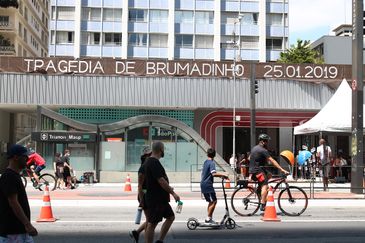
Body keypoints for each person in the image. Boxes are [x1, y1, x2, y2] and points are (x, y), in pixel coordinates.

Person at [143, 141, 180, 243]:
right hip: (156, 199)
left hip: (161, 199)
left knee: (170, 217)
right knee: (152, 224)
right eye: (163, 149)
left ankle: (160, 241)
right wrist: (173, 193)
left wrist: (169, 189)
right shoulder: (153, 162)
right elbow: (161, 180)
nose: (164, 151)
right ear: (161, 150)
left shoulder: (150, 162)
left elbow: (160, 181)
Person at [0, 144, 38, 242]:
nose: (27, 158)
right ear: (16, 157)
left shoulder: (14, 175)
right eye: (25, 156)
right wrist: (28, 225)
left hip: (19, 231)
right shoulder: (9, 176)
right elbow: (13, 203)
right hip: (12, 233)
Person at [248, 134, 289, 211]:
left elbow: (249, 158)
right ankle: (263, 204)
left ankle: (259, 190)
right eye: (267, 141)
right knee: (265, 185)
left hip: (254, 170)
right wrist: (282, 169)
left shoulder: (254, 148)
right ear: (263, 142)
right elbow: (272, 160)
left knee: (269, 175)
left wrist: (257, 162)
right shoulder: (263, 150)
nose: (268, 143)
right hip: (258, 171)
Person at [129, 146, 152, 243]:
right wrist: (142, 200)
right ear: (147, 156)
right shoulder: (144, 168)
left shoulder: (147, 166)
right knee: (150, 220)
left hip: (146, 196)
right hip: (144, 196)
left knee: (149, 219)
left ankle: (137, 233)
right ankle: (142, 236)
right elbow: (140, 186)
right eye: (150, 155)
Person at [200, 148, 228, 224]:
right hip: (207, 185)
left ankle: (209, 218)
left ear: (207, 154)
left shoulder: (206, 162)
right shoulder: (211, 163)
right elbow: (213, 174)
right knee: (214, 201)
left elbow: (210, 173)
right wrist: (223, 174)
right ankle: (208, 219)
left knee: (210, 202)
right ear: (214, 155)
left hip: (204, 184)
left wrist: (220, 176)